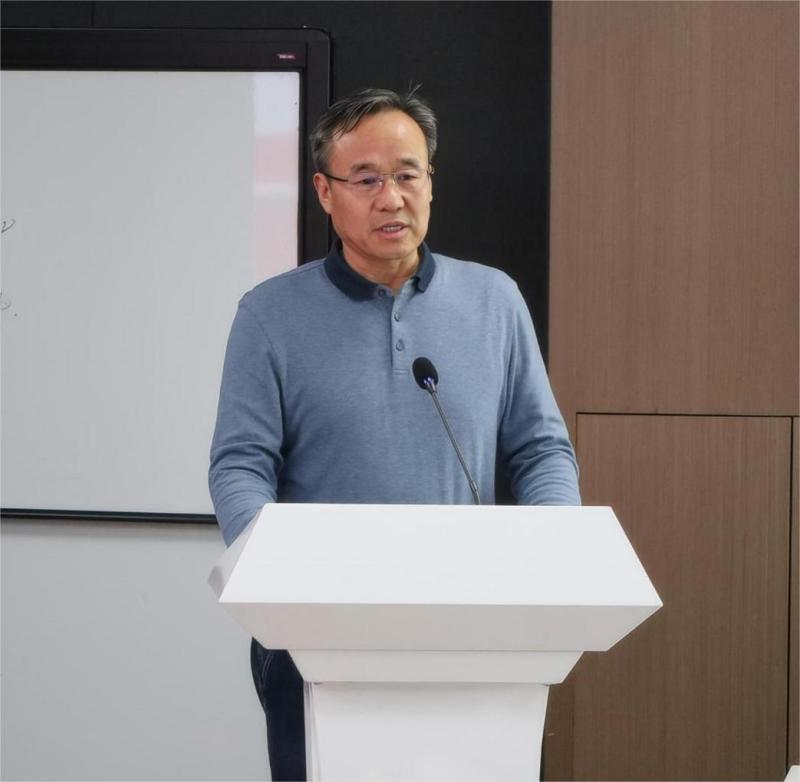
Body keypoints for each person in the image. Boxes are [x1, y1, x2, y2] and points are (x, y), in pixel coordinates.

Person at [209, 87, 580, 781]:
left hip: (471, 621)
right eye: (367, 179)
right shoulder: (269, 315)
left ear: (430, 183)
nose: (392, 198)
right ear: (325, 192)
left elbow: (540, 449)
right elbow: (239, 465)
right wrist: (273, 572)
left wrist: (552, 549)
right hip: (315, 630)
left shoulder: (494, 300)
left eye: (408, 174)